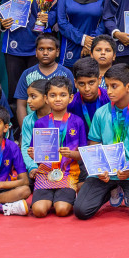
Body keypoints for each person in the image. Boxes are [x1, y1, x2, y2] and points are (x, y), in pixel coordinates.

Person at [74, 64, 129, 220]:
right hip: (106, 173)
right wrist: (99, 169)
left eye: (114, 86)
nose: (109, 91)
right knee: (81, 210)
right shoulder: (101, 113)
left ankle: (124, 190)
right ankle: (111, 190)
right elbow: (93, 146)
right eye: (106, 86)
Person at [25, 75, 87, 217]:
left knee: (62, 210)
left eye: (62, 95)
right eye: (53, 95)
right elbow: (37, 155)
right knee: (39, 211)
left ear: (70, 98)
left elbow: (84, 154)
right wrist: (33, 154)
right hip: (45, 173)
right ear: (46, 98)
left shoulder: (77, 122)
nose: (58, 99)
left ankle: (67, 196)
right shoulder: (40, 123)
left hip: (68, 173)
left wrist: (71, 154)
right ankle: (52, 197)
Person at [1, 0, 57, 95]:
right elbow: (4, 7)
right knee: (15, 88)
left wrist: (48, 18)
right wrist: (3, 22)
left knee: (39, 89)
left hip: (40, 41)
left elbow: (56, 11)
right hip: (14, 41)